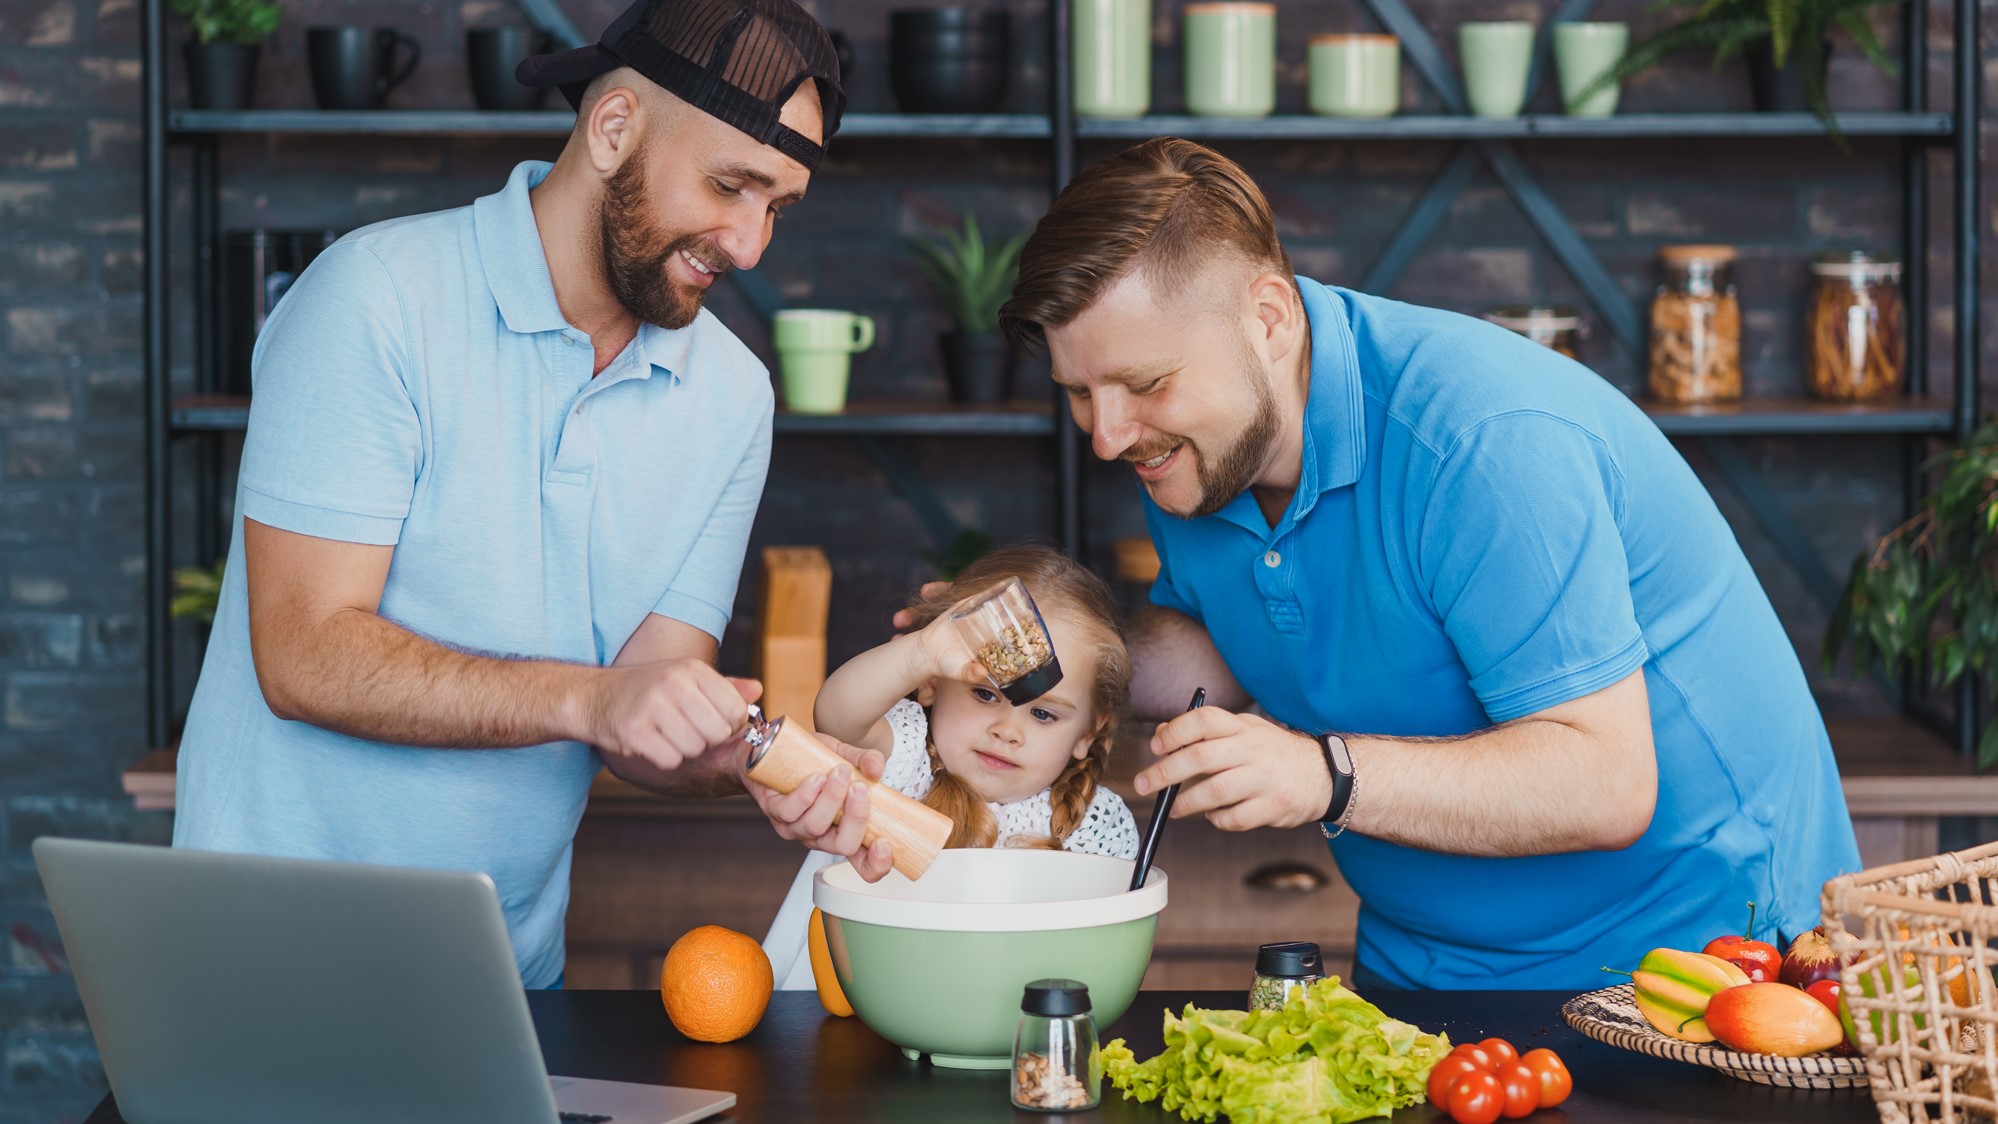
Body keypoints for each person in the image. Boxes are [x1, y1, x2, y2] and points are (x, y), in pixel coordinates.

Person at [990, 137, 1862, 990]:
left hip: (1692, 965)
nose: (1106, 436)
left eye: (1143, 384)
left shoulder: (1483, 442)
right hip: (1428, 960)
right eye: (1079, 392)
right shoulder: (1191, 441)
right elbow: (1215, 649)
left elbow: (1605, 783)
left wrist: (1321, 773)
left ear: (1268, 319)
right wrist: (1033, 657)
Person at [171, 0, 895, 991]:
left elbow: (649, 702)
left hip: (503, 980)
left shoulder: (731, 396)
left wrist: (763, 760)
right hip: (265, 965)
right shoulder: (375, 297)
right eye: (732, 185)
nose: (752, 242)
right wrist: (591, 698)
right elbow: (303, 652)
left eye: (778, 205)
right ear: (613, 128)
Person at [761, 546, 1139, 990]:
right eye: (984, 694)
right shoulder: (906, 762)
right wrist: (920, 652)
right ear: (933, 686)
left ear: (1087, 735)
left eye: (1043, 715)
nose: (1007, 730)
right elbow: (835, 716)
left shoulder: (1091, 826)